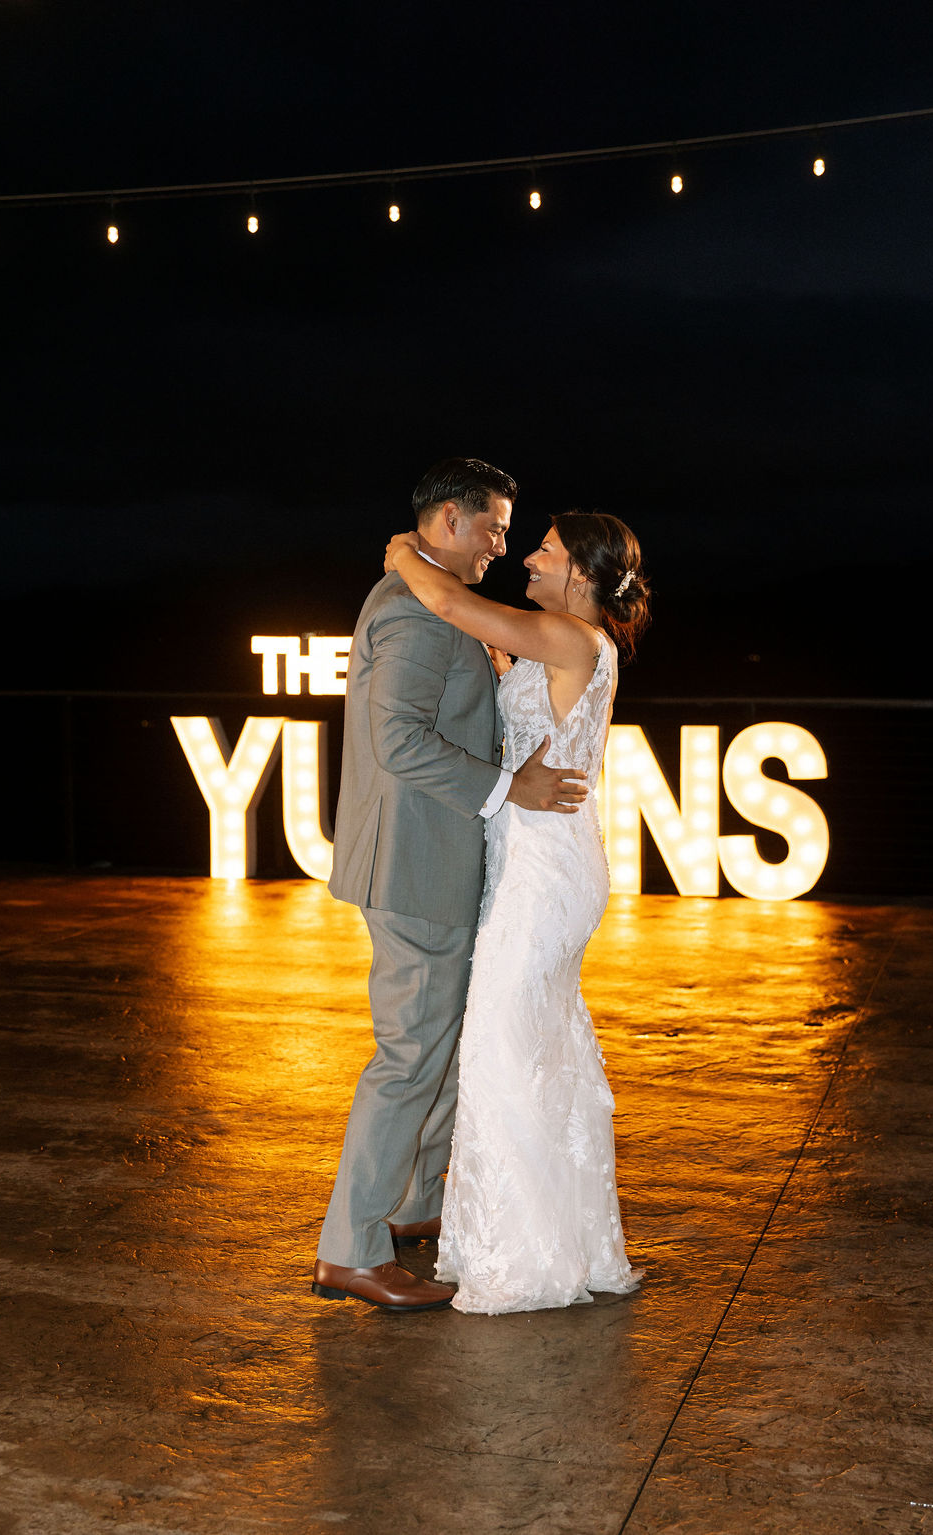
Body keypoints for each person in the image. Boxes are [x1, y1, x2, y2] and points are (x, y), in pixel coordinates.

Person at [312, 458, 589, 1313]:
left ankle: (414, 1206)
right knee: (408, 1057)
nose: (503, 545)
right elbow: (397, 742)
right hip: (416, 863)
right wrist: (511, 789)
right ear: (446, 521)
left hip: (428, 858)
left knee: (436, 1044)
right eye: (495, 527)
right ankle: (351, 1248)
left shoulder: (425, 596)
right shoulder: (417, 612)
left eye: (512, 531)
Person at [383, 509, 650, 1313]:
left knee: (501, 1048)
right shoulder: (560, 641)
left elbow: (454, 606)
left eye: (548, 551)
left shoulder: (570, 638)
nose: (528, 559)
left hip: (544, 871)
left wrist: (405, 551)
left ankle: (524, 1258)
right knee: (539, 1049)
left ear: (586, 575)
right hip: (531, 862)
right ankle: (559, 1238)